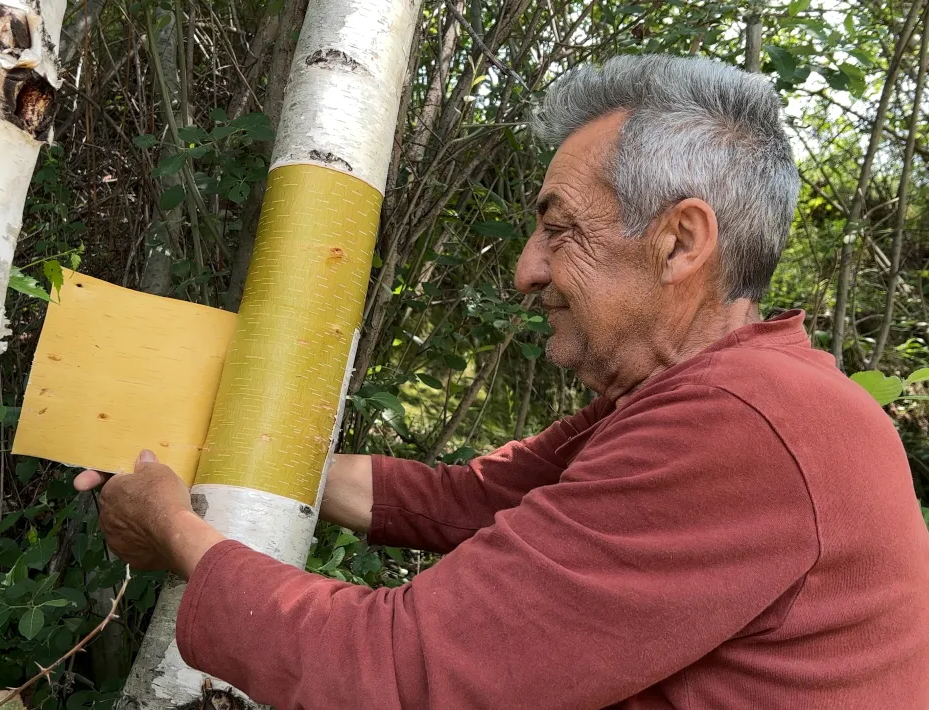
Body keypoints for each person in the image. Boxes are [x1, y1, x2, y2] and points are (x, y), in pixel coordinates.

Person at [74, 55, 929, 709]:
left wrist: (176, 533)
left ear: (679, 242)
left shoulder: (747, 423)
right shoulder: (692, 395)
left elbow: (400, 674)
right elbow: (461, 499)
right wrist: (211, 454)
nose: (527, 269)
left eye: (560, 231)